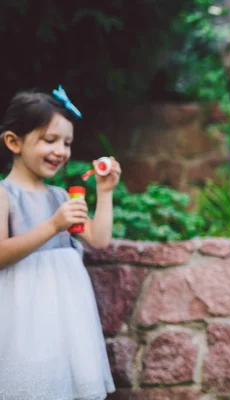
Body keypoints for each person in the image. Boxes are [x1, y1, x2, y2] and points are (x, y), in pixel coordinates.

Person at [0, 87, 119, 399]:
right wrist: (54, 225)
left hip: (65, 315)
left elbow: (99, 239)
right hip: (20, 312)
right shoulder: (4, 195)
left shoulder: (61, 196)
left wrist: (105, 192)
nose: (61, 151)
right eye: (49, 140)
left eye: (67, 143)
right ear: (14, 142)